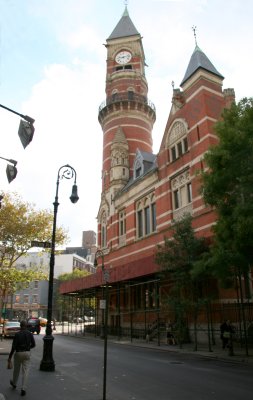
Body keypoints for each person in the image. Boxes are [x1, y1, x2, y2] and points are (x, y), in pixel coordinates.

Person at [8, 320, 36, 396]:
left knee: (16, 370)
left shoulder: (17, 334)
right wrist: (28, 347)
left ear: (20, 326)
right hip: (27, 353)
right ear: (26, 326)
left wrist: (10, 357)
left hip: (18, 353)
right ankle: (23, 388)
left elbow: (13, 347)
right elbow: (33, 344)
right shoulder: (30, 334)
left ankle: (14, 383)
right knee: (25, 371)